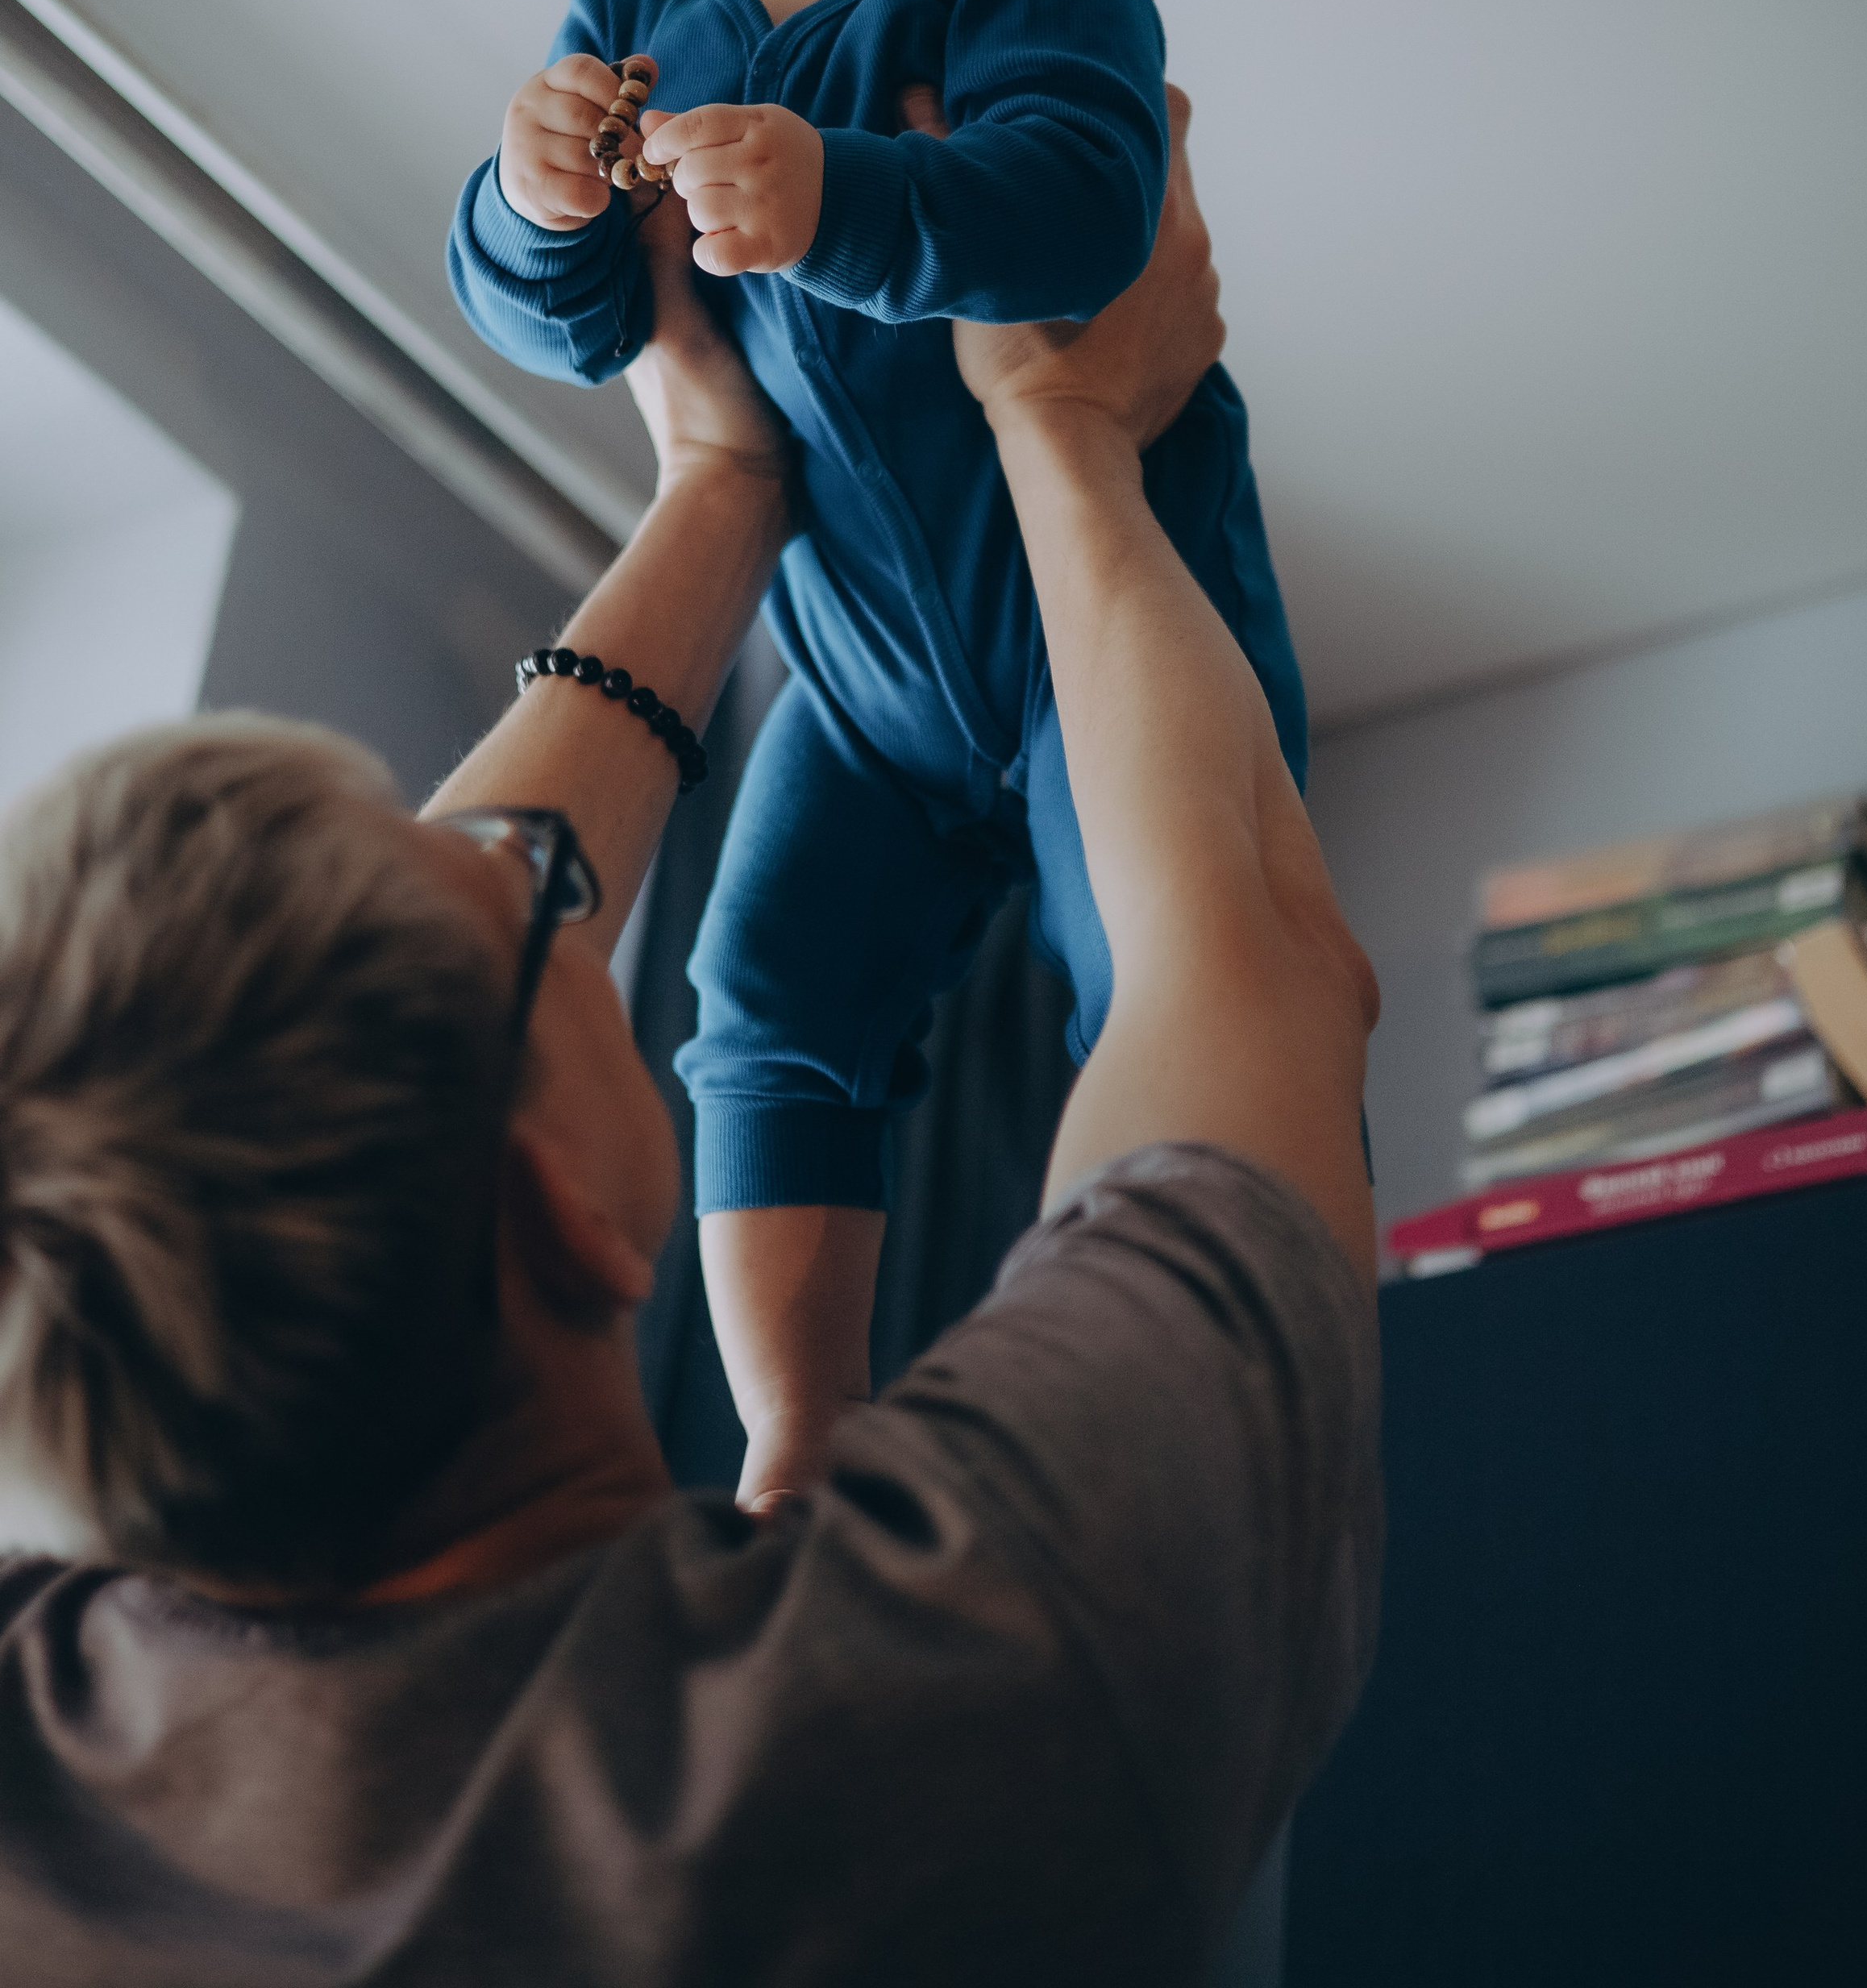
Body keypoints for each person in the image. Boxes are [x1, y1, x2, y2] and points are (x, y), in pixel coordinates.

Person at [0, 143, 1379, 1988]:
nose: (539, 860)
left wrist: (722, 483)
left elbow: (389, 1010)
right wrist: (1067, 432)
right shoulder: (964, 1670)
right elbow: (1257, 972)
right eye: (530, 899)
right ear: (556, 1205)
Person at [447, 0, 1309, 1504]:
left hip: (1097, 622)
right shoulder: (637, 8)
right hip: (846, 674)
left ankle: (1151, 1430)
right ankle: (793, 1441)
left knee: (1168, 966)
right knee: (757, 1011)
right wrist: (537, 203)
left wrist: (841, 199)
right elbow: (565, 321)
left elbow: (1085, 202)